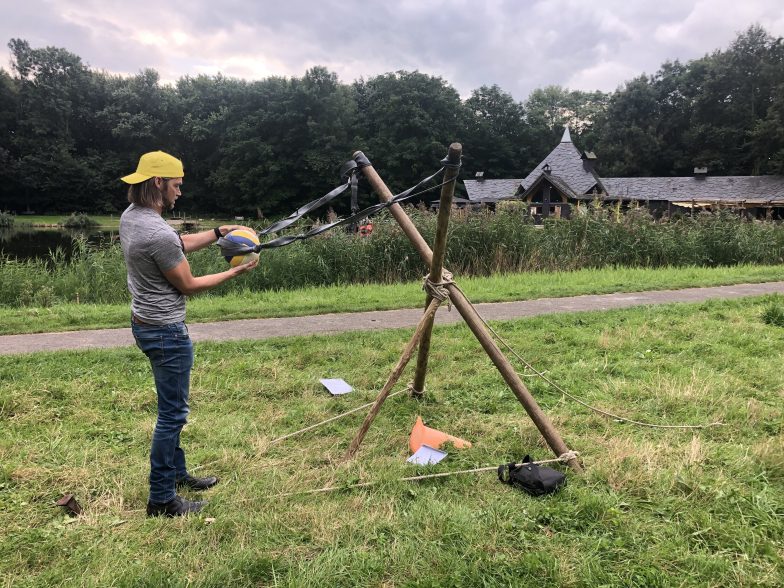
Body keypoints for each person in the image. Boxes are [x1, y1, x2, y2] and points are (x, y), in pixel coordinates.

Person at [119, 150, 257, 517]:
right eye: (176, 185)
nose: (180, 192)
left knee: (171, 409)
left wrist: (217, 233)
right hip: (166, 333)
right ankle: (162, 499)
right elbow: (190, 284)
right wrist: (235, 273)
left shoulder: (133, 217)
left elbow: (177, 245)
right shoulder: (156, 232)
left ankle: (177, 475)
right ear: (158, 183)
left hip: (146, 323)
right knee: (172, 415)